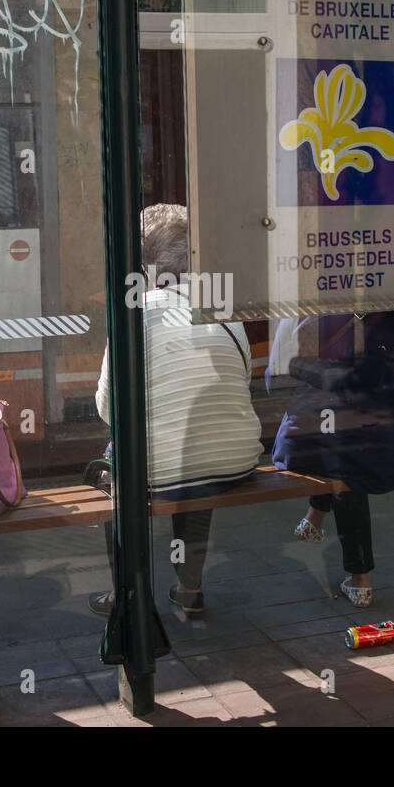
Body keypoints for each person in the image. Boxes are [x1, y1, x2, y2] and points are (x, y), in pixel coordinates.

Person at [88, 204, 262, 617]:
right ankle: (189, 587)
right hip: (236, 462)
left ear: (146, 264)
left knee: (117, 467)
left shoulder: (134, 315)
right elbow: (243, 380)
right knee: (195, 452)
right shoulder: (223, 309)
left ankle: (124, 593)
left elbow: (108, 410)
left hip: (164, 472)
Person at [269, 310, 394, 608]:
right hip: (375, 438)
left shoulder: (306, 303)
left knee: (341, 453)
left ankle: (325, 530)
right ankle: (357, 575)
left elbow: (273, 380)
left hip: (303, 440)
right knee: (352, 450)